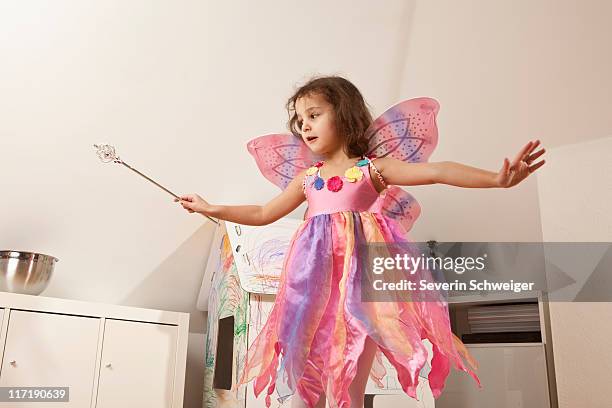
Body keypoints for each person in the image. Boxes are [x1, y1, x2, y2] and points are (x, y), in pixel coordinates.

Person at [177, 76, 546, 408]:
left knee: (349, 376)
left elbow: (437, 171)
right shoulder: (309, 178)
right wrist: (212, 207)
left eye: (314, 114)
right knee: (307, 377)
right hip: (312, 290)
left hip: (362, 292)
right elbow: (262, 213)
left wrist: (497, 179)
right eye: (300, 120)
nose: (304, 125)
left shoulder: (373, 169)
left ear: (343, 114)